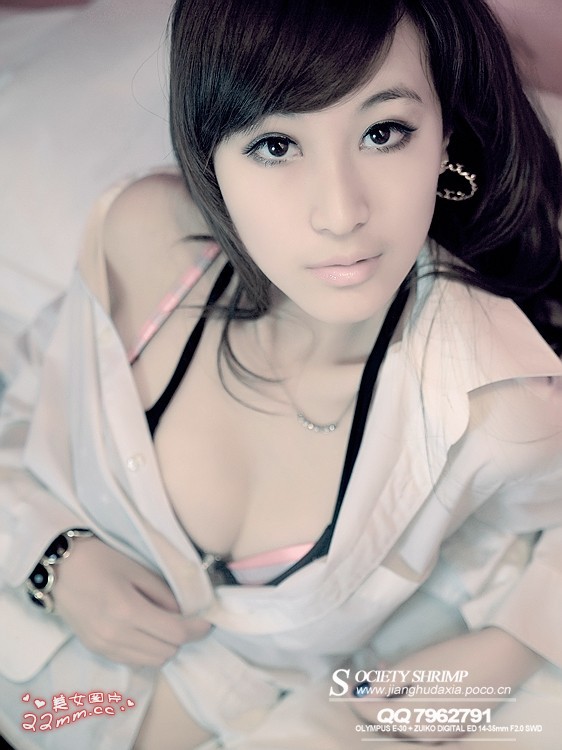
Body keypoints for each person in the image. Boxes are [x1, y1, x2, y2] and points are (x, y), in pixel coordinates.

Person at [0, 0, 561, 748]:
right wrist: (50, 554)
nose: (340, 212)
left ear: (444, 138)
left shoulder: (493, 405)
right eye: (274, 144)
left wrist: (508, 649)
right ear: (210, 155)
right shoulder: (141, 240)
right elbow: (24, 409)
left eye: (383, 132)